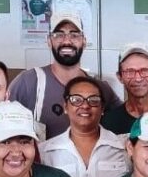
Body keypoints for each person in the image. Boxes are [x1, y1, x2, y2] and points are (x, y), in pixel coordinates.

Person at [8, 8, 118, 140]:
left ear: (84, 41)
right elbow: (1, 126)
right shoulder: (29, 82)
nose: (67, 41)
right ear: (49, 41)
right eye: (59, 35)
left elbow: (126, 117)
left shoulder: (100, 88)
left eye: (74, 35)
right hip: (42, 161)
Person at [39, 75, 129, 177]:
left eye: (93, 100)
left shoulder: (123, 147)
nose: (85, 106)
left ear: (102, 108)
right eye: (76, 100)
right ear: (65, 106)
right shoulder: (45, 151)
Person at [101, 43, 148, 136]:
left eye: (144, 70)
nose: (138, 78)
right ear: (120, 77)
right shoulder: (107, 122)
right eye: (130, 71)